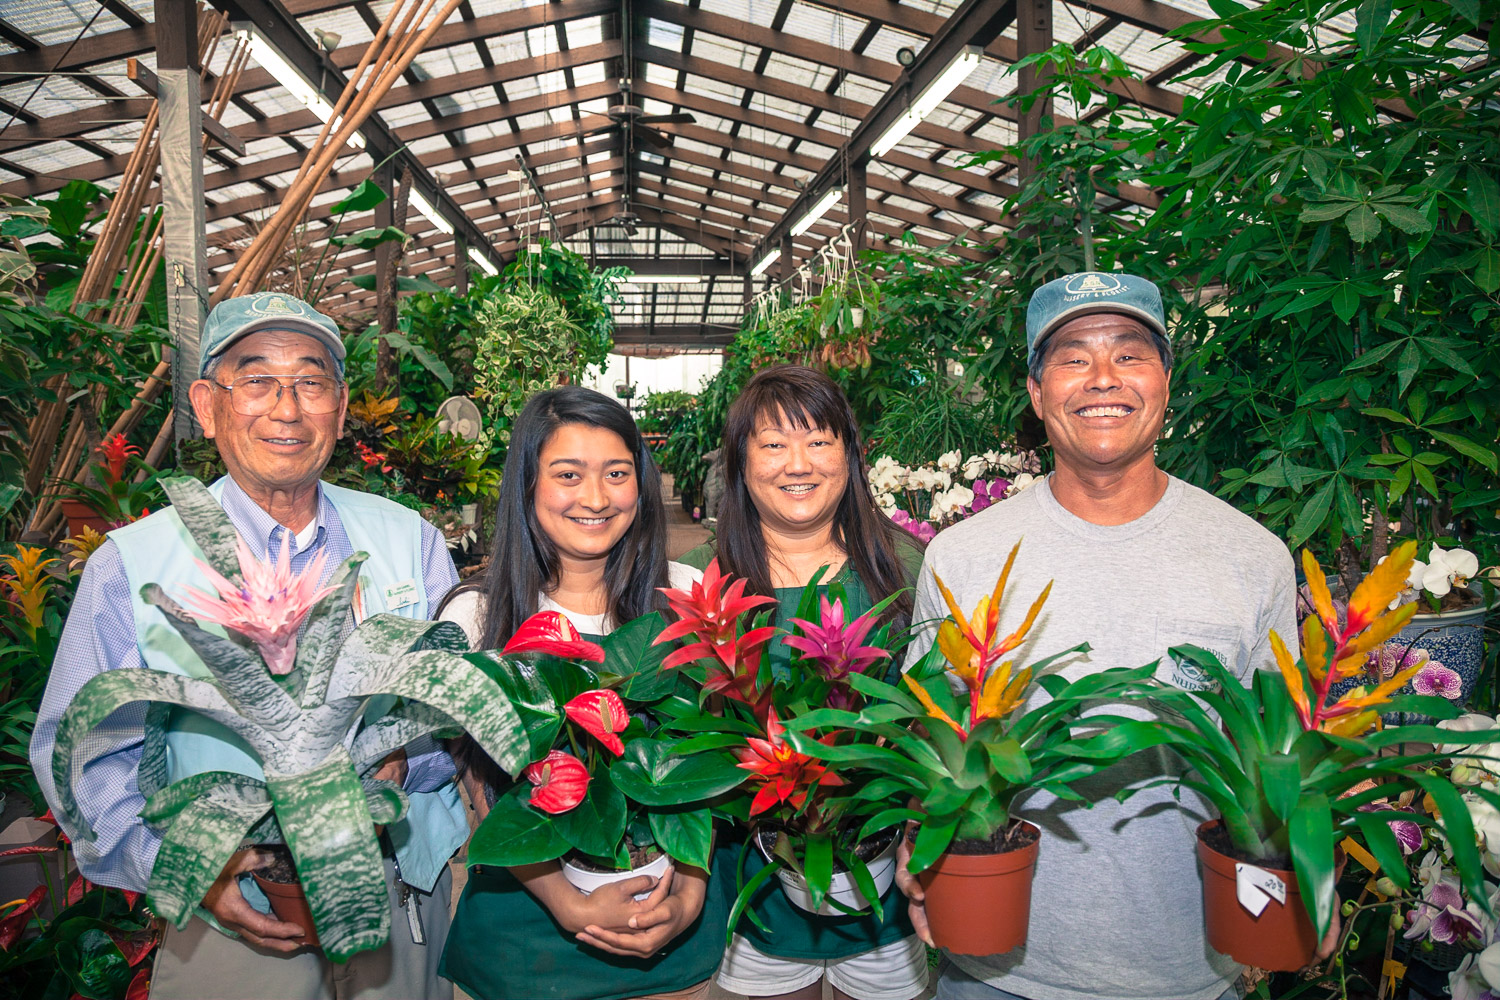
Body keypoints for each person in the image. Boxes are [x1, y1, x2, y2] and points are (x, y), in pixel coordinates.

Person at [30, 292, 463, 999]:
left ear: (341, 405)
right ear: (206, 405)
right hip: (237, 911)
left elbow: (458, 711)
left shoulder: (407, 539)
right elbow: (79, 749)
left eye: (312, 382)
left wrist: (399, 766)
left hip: (398, 894)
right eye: (257, 380)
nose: (287, 409)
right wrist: (181, 869)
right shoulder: (136, 563)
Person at [896, 272, 1301, 1000]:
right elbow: (932, 738)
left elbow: (1281, 759)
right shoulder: (964, 557)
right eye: (1073, 357)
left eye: (1130, 353)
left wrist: (1315, 873)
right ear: (1036, 392)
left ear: (1167, 383)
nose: (1102, 378)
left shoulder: (1252, 556)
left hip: (1194, 969)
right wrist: (916, 842)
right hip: (996, 969)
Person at [437, 386, 727, 1000]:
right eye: (568, 474)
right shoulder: (478, 616)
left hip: (666, 926)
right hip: (525, 934)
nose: (596, 498)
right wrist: (566, 902)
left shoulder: (685, 594)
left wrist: (690, 896)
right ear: (528, 486)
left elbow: (705, 767)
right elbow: (478, 789)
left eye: (616, 473)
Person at [678, 364, 929, 1000]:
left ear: (850, 453)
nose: (799, 463)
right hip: (754, 882)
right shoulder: (699, 579)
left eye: (819, 440)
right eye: (772, 444)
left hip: (885, 884)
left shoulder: (905, 565)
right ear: (740, 462)